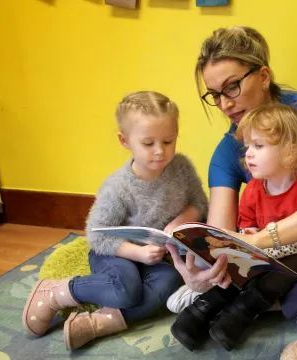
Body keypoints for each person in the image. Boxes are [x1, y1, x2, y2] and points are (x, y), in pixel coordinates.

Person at [166, 26, 297, 350]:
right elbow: (221, 233)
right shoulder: (227, 152)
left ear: (264, 75)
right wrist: (210, 268)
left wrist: (257, 239)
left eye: (232, 88)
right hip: (282, 256)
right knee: (284, 286)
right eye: (214, 95)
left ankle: (269, 301)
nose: (224, 104)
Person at [22, 91, 208, 350]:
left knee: (170, 281)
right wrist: (138, 254)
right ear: (125, 140)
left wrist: (180, 220)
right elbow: (97, 237)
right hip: (116, 253)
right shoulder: (117, 187)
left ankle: (99, 322)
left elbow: (200, 203)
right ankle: (57, 291)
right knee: (126, 288)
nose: (160, 151)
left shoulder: (182, 168)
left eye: (168, 140)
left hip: (155, 256)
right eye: (148, 143)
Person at [171, 103, 297, 351]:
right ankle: (202, 309)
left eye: (259, 146)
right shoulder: (254, 188)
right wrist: (249, 232)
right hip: (261, 255)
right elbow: (246, 223)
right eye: (248, 146)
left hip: (294, 257)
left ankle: (243, 311)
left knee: (295, 262)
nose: (248, 154)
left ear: (290, 150)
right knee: (238, 265)